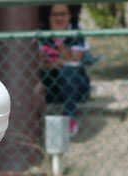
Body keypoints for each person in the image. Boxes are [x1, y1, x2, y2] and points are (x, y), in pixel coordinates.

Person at [39, 4, 91, 137]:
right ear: (49, 16)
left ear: (70, 15)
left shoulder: (75, 30)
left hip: (76, 85)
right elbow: (36, 62)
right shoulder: (42, 32)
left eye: (63, 14)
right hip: (51, 83)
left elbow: (74, 60)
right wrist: (58, 63)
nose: (59, 18)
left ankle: (69, 118)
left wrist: (57, 39)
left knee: (68, 71)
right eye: (55, 15)